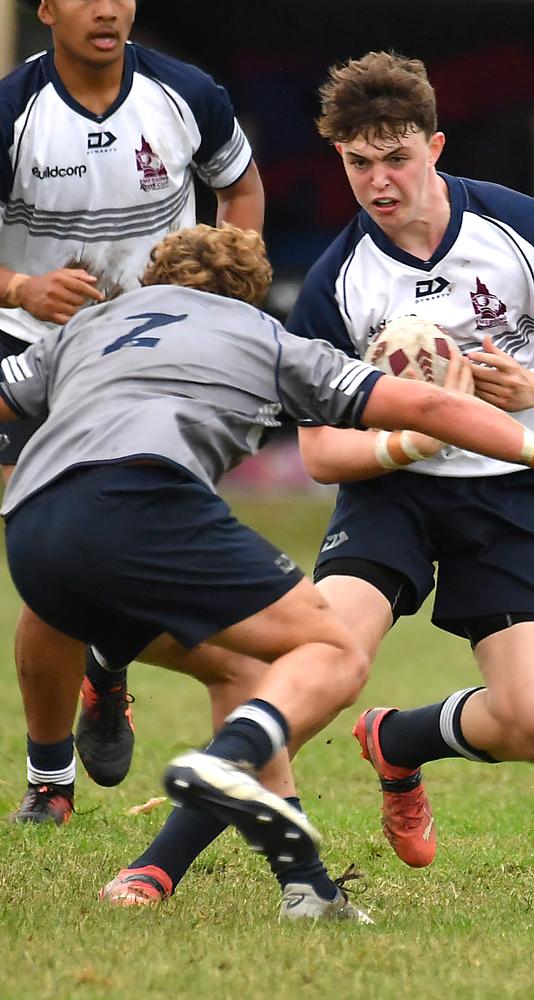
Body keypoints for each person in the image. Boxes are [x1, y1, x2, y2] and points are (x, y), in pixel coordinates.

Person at [98, 50, 534, 905]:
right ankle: (157, 863)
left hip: (510, 486)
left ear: (435, 146)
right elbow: (320, 453)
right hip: (393, 493)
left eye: (396, 158)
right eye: (358, 163)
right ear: (339, 160)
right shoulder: (337, 284)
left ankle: (398, 741)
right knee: (323, 659)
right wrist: (406, 445)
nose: (378, 181)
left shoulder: (525, 229)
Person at [0, 223, 534, 923]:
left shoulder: (91, 326)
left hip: (33, 530)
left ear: (155, 284)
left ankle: (305, 887)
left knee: (246, 673)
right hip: (149, 510)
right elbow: (424, 404)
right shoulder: (263, 339)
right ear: (250, 298)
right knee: (328, 648)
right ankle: (215, 757)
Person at [0, 0, 264, 818]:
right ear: (47, 9)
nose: (107, 8)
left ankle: (98, 681)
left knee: (80, 567)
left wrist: (221, 287)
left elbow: (241, 190)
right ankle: (65, 754)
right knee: (49, 560)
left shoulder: (188, 95)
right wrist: (21, 287)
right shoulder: (13, 114)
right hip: (26, 355)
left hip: (153, 361)